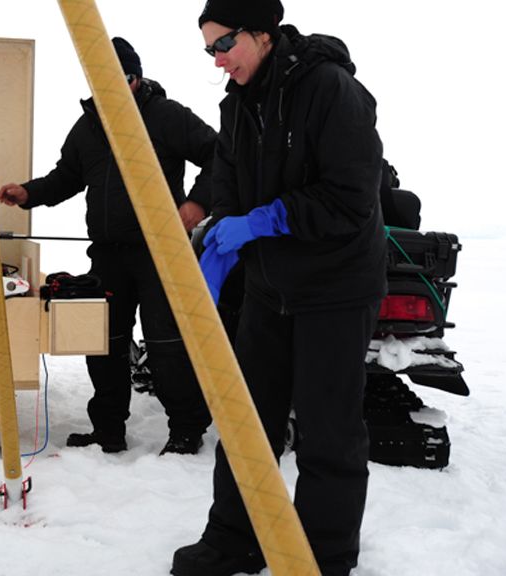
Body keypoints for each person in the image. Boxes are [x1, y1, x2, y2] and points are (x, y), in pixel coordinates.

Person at [172, 2, 387, 575]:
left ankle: (324, 556)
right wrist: (221, 235)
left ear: (262, 35)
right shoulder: (236, 106)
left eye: (224, 45)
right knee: (246, 421)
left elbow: (349, 198)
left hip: (336, 288)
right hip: (271, 289)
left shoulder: (332, 91)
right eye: (209, 50)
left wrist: (262, 221)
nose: (217, 61)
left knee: (327, 431)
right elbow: (226, 185)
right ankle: (234, 537)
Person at [0, 37, 217, 455]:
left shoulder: (168, 116)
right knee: (104, 342)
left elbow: (220, 155)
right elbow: (66, 177)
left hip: (162, 253)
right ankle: (108, 430)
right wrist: (28, 193)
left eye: (127, 77)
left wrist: (197, 202)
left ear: (136, 78)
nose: (119, 87)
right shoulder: (87, 128)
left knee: (166, 343)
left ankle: (187, 428)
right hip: (108, 252)